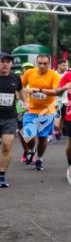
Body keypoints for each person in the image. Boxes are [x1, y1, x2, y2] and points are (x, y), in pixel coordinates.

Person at [19, 54, 60, 171]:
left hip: (47, 112)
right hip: (31, 110)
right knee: (28, 135)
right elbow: (20, 87)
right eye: (40, 63)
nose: (42, 66)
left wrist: (39, 90)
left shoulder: (54, 75)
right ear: (37, 63)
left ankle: (39, 159)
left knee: (42, 138)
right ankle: (32, 151)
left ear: (50, 64)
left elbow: (56, 91)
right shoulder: (29, 73)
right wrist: (25, 94)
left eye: (45, 63)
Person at [0, 53, 25, 188]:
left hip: (9, 117)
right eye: (2, 61)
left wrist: (25, 102)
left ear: (10, 64)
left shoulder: (15, 78)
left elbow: (21, 91)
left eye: (7, 62)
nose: (4, 64)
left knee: (7, 145)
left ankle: (1, 175)